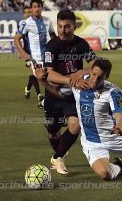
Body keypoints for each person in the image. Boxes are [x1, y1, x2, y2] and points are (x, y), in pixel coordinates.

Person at [41, 9, 96, 175]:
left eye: (67, 27)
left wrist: (81, 73)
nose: (62, 31)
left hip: (73, 94)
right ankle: (59, 152)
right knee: (53, 132)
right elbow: (49, 74)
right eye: (59, 26)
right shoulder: (52, 46)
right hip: (54, 94)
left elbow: (96, 65)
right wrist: (70, 79)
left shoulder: (81, 44)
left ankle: (58, 157)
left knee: (75, 123)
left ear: (74, 26)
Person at [14, 0, 55, 104]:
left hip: (47, 56)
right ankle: (44, 99)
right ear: (32, 9)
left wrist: (57, 48)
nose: (37, 9)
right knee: (41, 77)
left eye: (39, 6)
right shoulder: (26, 23)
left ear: (42, 8)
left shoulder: (47, 21)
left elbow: (53, 36)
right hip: (34, 58)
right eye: (34, 7)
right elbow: (16, 39)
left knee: (51, 79)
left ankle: (47, 101)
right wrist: (24, 54)